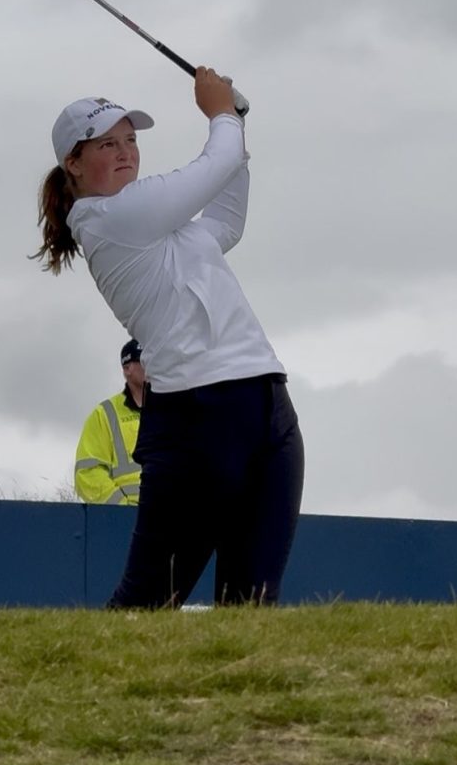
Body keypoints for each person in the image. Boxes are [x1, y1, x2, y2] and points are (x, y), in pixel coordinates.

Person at [34, 72, 305, 607]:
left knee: (251, 601)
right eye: (106, 143)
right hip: (197, 418)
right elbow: (215, 165)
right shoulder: (107, 218)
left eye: (130, 139)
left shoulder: (158, 224)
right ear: (73, 163)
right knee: (147, 603)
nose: (125, 152)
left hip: (267, 405)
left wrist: (236, 125)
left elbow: (225, 222)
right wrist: (222, 114)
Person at [74, 339, 145, 505]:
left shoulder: (175, 410)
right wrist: (121, 508)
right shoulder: (104, 414)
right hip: (127, 522)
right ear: (127, 369)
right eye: (143, 360)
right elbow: (88, 472)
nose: (151, 364)